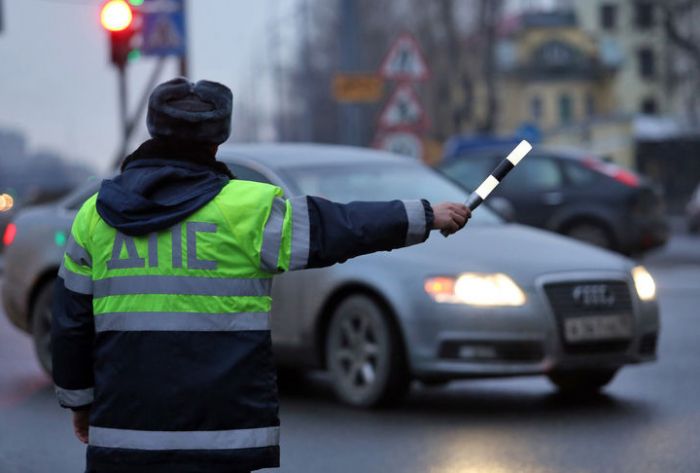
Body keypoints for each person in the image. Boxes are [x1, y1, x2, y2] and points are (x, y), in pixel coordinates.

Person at [51, 77, 470, 473]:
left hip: (124, 436)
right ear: (218, 140)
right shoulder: (249, 210)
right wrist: (423, 214)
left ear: (153, 131)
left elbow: (70, 326)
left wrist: (80, 403)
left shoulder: (94, 217)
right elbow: (337, 227)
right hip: (222, 437)